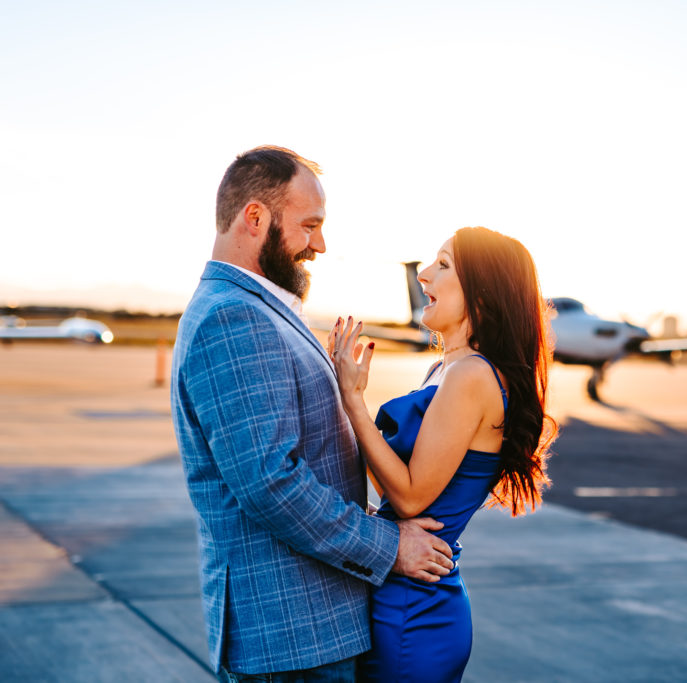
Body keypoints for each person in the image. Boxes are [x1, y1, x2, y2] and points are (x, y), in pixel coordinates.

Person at [170, 145, 456, 682]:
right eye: (310, 225)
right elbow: (270, 483)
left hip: (309, 630)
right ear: (255, 218)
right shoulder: (233, 318)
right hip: (290, 638)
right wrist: (390, 545)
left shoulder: (257, 308)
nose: (320, 244)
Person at [329, 226, 557, 683]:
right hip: (403, 588)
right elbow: (394, 485)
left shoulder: (471, 375)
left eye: (444, 265)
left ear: (483, 293)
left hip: (415, 609)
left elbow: (412, 498)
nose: (426, 275)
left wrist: (352, 400)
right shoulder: (445, 368)